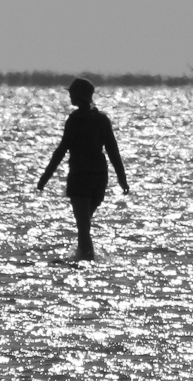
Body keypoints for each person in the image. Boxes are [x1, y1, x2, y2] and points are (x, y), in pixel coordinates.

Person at [37, 78, 129, 260]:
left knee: (83, 225)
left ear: (79, 96)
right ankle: (84, 257)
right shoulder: (102, 120)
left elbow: (61, 150)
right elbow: (113, 151)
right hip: (99, 178)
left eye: (72, 93)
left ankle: (86, 261)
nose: (69, 95)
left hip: (80, 177)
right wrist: (122, 179)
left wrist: (44, 178)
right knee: (84, 223)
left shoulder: (75, 120)